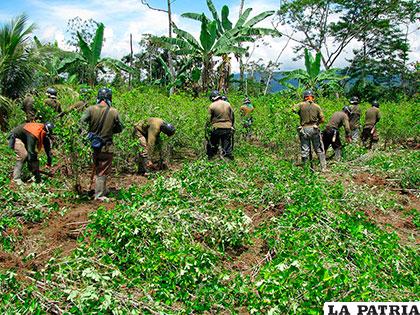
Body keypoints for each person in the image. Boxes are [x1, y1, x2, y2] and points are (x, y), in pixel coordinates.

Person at [80, 87, 124, 201]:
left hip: (93, 145)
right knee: (103, 170)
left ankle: (102, 190)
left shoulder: (90, 109)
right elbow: (120, 128)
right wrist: (109, 131)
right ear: (110, 98)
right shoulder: (114, 111)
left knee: (97, 167)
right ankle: (99, 195)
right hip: (107, 146)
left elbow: (80, 123)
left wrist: (87, 135)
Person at [292, 90, 327, 171]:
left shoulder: (300, 105)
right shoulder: (317, 106)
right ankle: (323, 168)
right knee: (319, 149)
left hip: (304, 129)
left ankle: (306, 169)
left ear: (304, 97)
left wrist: (299, 115)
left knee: (305, 150)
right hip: (314, 128)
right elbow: (322, 119)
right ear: (313, 97)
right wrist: (316, 124)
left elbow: (293, 109)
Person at [206, 90, 235, 160]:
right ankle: (228, 158)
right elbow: (232, 117)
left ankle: (211, 158)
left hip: (216, 128)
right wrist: (231, 125)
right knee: (227, 145)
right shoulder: (228, 104)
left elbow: (208, 119)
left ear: (213, 98)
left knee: (213, 144)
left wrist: (207, 128)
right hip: (228, 127)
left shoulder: (212, 105)